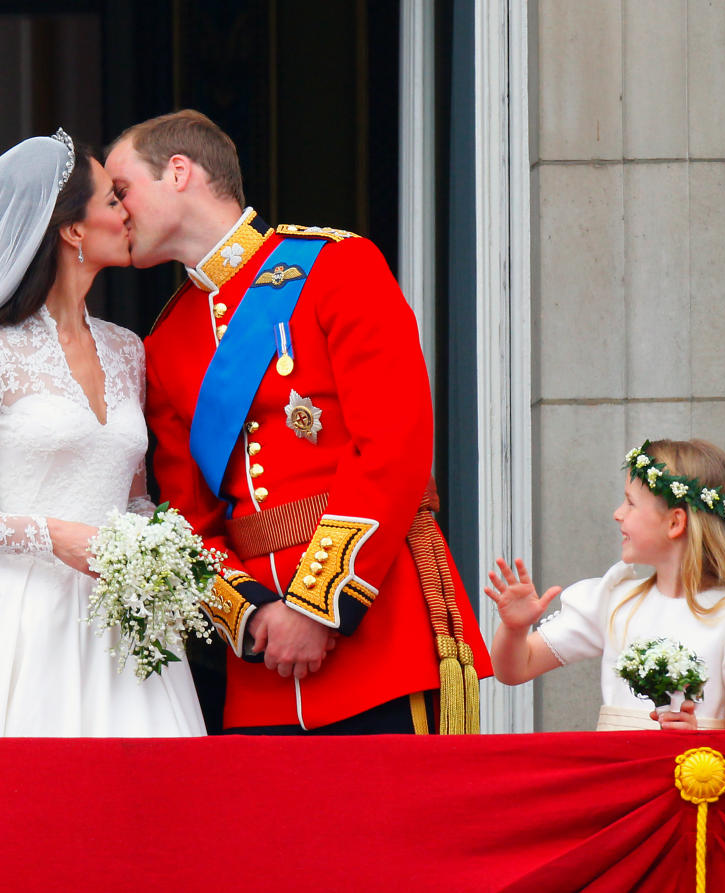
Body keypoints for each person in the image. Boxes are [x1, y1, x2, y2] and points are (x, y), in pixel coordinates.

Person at [104, 110, 492, 734]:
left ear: (179, 172)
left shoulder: (337, 267)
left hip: (381, 632)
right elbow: (186, 520)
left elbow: (394, 448)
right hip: (264, 668)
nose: (116, 212)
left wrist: (316, 607)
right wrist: (255, 617)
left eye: (122, 190)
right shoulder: (167, 342)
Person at [0, 130, 205, 737]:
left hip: (127, 622)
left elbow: (132, 496)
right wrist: (49, 535)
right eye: (112, 200)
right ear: (72, 230)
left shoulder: (128, 350)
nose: (128, 211)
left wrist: (158, 554)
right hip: (23, 620)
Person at [486, 438, 725, 731]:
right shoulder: (613, 600)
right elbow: (515, 670)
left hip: (696, 782)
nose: (618, 514)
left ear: (675, 523)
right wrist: (515, 629)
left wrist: (698, 737)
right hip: (617, 780)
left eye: (631, 503)